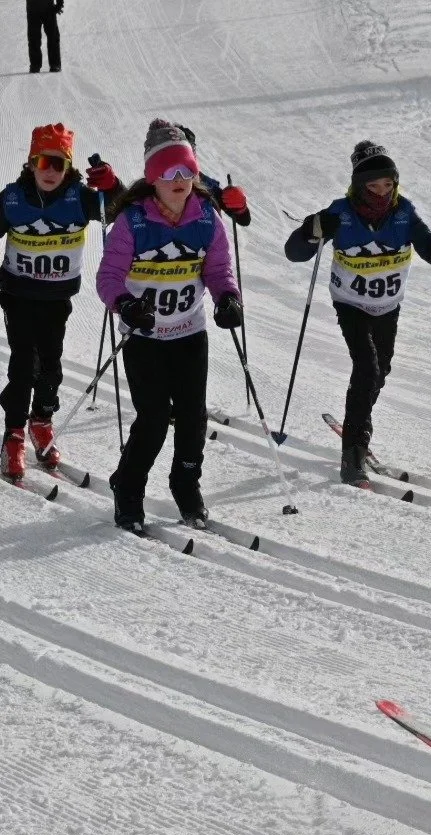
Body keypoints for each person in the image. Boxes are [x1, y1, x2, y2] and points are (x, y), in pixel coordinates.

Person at [96, 120, 242, 532]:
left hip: (189, 332)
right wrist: (125, 305)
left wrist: (227, 297)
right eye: (169, 172)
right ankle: (128, 487)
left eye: (186, 171)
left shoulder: (206, 219)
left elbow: (217, 269)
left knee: (194, 417)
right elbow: (108, 277)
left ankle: (185, 485)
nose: (179, 180)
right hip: (145, 337)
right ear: (152, 178)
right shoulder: (132, 221)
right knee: (155, 417)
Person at [284, 141, 431, 485]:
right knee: (367, 366)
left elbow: (427, 246)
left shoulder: (404, 212)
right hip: (350, 303)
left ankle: (356, 420)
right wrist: (310, 231)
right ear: (358, 186)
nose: (381, 192)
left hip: (388, 305)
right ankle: (354, 454)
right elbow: (295, 252)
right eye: (373, 186)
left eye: (388, 185)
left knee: (381, 369)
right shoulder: (341, 212)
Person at [0, 123, 120, 479]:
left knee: (51, 363)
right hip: (18, 294)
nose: (50, 171)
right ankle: (14, 433)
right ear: (31, 162)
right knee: (24, 364)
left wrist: (111, 186)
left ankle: (42, 420)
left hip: (56, 297)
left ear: (69, 167)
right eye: (43, 162)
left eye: (58, 163)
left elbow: (121, 211)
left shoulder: (81, 198)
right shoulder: (11, 198)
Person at [173, 124, 251, 227]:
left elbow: (243, 220)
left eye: (185, 155)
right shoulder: (155, 185)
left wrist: (238, 206)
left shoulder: (206, 186)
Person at [26, 0, 63, 73]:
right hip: (39, 8)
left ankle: (39, 65)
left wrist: (59, 4)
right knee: (35, 37)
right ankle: (37, 65)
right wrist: (59, 4)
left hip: (43, 8)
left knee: (51, 36)